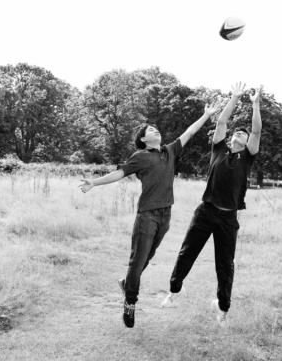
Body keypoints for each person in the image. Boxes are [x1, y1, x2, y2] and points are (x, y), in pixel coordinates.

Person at [79, 102, 217, 328]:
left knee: (149, 257)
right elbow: (119, 173)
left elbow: (190, 132)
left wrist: (205, 115)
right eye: (150, 130)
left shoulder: (170, 150)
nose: (156, 131)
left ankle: (126, 282)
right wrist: (94, 182)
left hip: (165, 215)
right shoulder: (140, 156)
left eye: (156, 129)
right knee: (138, 260)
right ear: (143, 139)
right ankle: (130, 302)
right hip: (147, 216)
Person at [161, 83, 263, 328]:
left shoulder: (247, 158)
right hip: (205, 212)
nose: (239, 134)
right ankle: (175, 290)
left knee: (225, 266)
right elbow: (221, 123)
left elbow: (257, 132)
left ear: (248, 143)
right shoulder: (218, 150)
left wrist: (255, 103)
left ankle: (222, 308)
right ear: (229, 139)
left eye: (243, 134)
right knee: (187, 253)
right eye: (236, 133)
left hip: (228, 219)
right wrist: (235, 98)